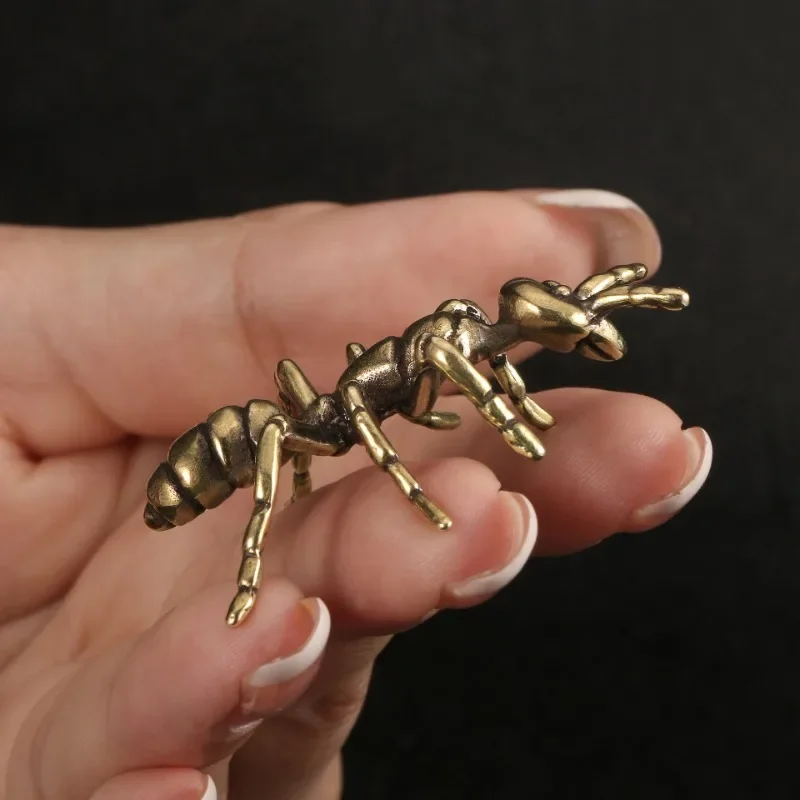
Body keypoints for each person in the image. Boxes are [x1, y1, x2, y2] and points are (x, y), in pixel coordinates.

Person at [0, 188, 711, 799]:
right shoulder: (431, 351)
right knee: (278, 432)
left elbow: (471, 355)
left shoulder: (458, 338)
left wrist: (517, 397)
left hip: (332, 416)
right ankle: (254, 565)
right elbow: (399, 384)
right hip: (261, 437)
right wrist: (479, 427)